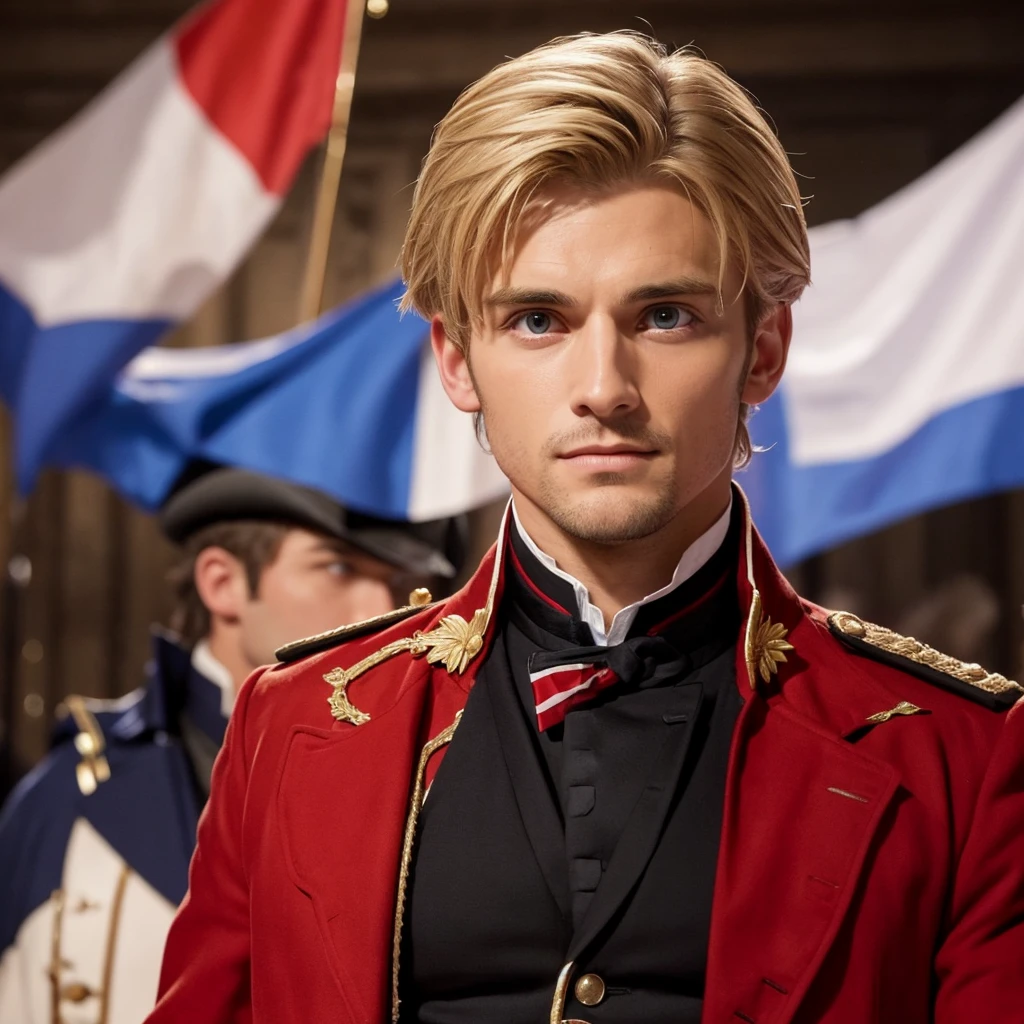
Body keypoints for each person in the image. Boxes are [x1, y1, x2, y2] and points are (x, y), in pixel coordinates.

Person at [147, 33, 1024, 1024]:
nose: (603, 389)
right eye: (537, 320)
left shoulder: (963, 756)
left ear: (762, 350)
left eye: (663, 316)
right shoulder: (291, 721)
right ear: (456, 359)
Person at [0, 465, 465, 1023]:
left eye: (403, 583)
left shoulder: (448, 777)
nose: (378, 612)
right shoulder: (68, 798)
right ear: (221, 582)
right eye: (337, 567)